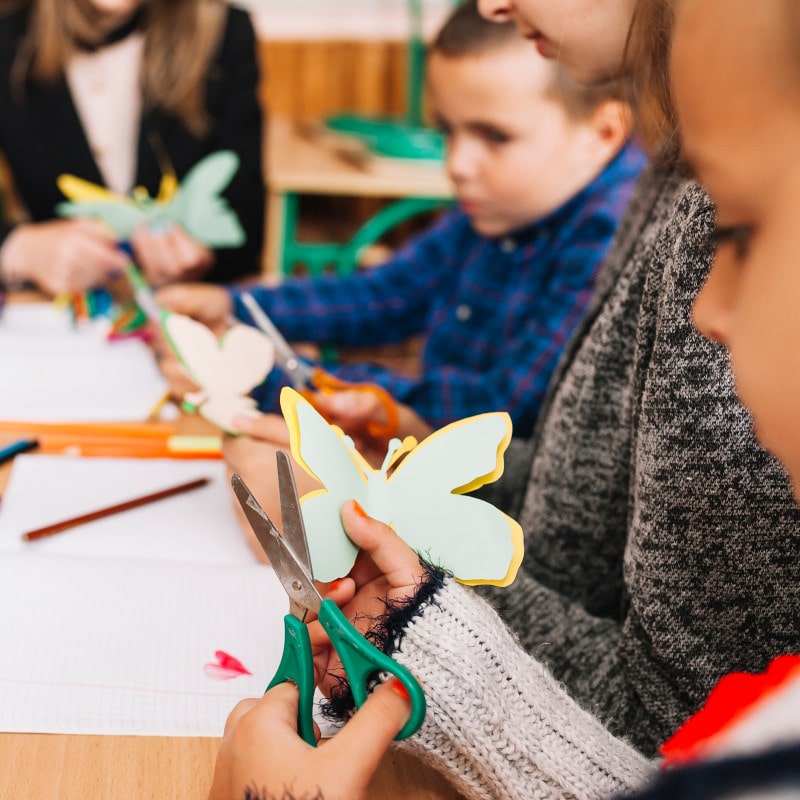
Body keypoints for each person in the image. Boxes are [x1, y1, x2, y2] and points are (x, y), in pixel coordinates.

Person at [208, 0, 800, 799]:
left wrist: (409, 603)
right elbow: (583, 491)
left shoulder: (709, 198)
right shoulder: (676, 175)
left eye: (742, 235)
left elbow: (675, 731)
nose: (487, 3)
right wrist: (398, 478)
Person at [156, 0, 644, 444]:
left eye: (494, 136)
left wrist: (267, 374)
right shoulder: (496, 209)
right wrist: (232, 303)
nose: (457, 164)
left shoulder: (609, 235)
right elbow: (383, 294)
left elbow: (502, 406)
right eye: (447, 131)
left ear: (601, 133)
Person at [0, 0, 265, 295]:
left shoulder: (225, 31)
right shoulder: (8, 38)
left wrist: (205, 255)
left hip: (179, 310)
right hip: (56, 314)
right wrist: (17, 248)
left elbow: (247, 223)